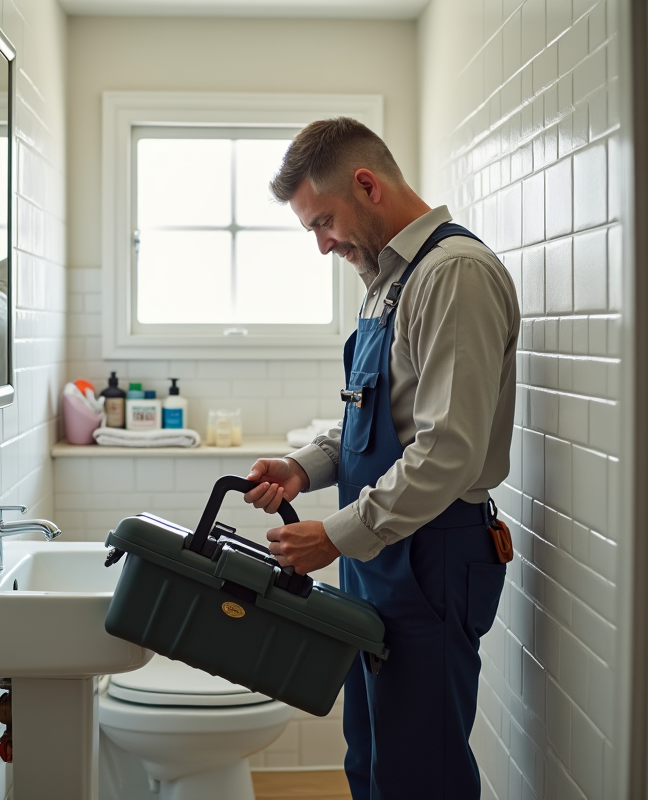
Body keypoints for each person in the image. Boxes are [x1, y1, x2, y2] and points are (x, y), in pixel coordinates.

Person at [242, 117, 520, 800]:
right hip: (384, 553)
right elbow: (372, 420)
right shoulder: (388, 282)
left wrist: (334, 536)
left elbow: (447, 453)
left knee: (417, 771)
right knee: (373, 758)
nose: (322, 244)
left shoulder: (452, 274)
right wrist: (305, 466)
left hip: (431, 554)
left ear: (366, 185)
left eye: (322, 222)